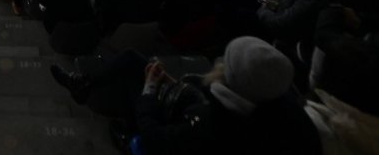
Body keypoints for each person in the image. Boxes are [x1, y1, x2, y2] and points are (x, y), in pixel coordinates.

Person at [49, 36, 322, 155]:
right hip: (192, 108)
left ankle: (125, 133)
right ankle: (83, 83)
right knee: (133, 58)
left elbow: (156, 140)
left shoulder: (212, 127)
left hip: (168, 134)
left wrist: (150, 91)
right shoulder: (294, 119)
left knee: (137, 86)